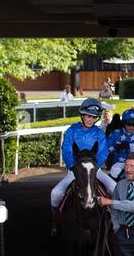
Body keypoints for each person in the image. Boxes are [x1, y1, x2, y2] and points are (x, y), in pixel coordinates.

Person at [49, 97, 118, 236]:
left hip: (94, 169)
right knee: (55, 194)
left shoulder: (99, 133)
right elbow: (66, 149)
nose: (90, 119)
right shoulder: (72, 130)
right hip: (75, 170)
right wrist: (73, 166)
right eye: (88, 116)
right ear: (82, 114)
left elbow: (103, 151)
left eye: (94, 117)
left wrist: (94, 167)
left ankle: (116, 222)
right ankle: (56, 222)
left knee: (114, 188)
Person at [107, 108, 134, 180]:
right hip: (119, 164)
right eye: (128, 124)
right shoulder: (115, 134)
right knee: (115, 172)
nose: (131, 127)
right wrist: (117, 147)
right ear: (123, 123)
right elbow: (107, 150)